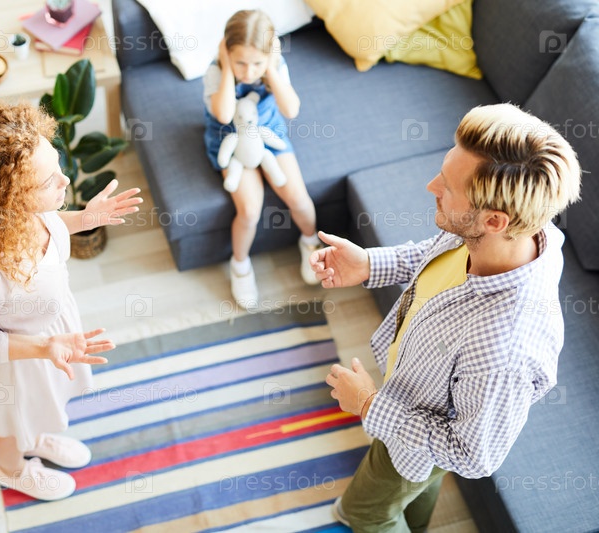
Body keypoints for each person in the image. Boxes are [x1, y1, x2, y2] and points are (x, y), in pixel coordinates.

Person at [309, 103, 581, 532]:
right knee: (416, 489)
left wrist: (369, 404)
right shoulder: (505, 234)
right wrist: (369, 264)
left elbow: (472, 456)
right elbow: (433, 255)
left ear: (494, 220)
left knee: (365, 512)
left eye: (448, 186)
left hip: (410, 434)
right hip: (415, 403)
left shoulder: (504, 350)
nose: (431, 185)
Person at [0, 102, 143, 501]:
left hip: (50, 339)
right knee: (8, 425)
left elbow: (51, 225)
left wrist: (85, 219)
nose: (65, 179)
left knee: (40, 408)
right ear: (8, 198)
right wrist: (43, 347)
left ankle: (35, 438)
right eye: (48, 181)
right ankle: (12, 469)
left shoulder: (26, 215)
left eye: (57, 164)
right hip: (15, 365)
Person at [203, 9, 322, 309]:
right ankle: (240, 264)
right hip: (231, 143)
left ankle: (310, 241)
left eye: (256, 63)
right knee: (249, 211)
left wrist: (270, 67)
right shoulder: (216, 72)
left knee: (299, 198)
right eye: (240, 62)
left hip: (268, 136)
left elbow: (291, 109)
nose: (248, 72)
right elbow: (224, 114)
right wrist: (227, 67)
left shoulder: (273, 67)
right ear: (226, 52)